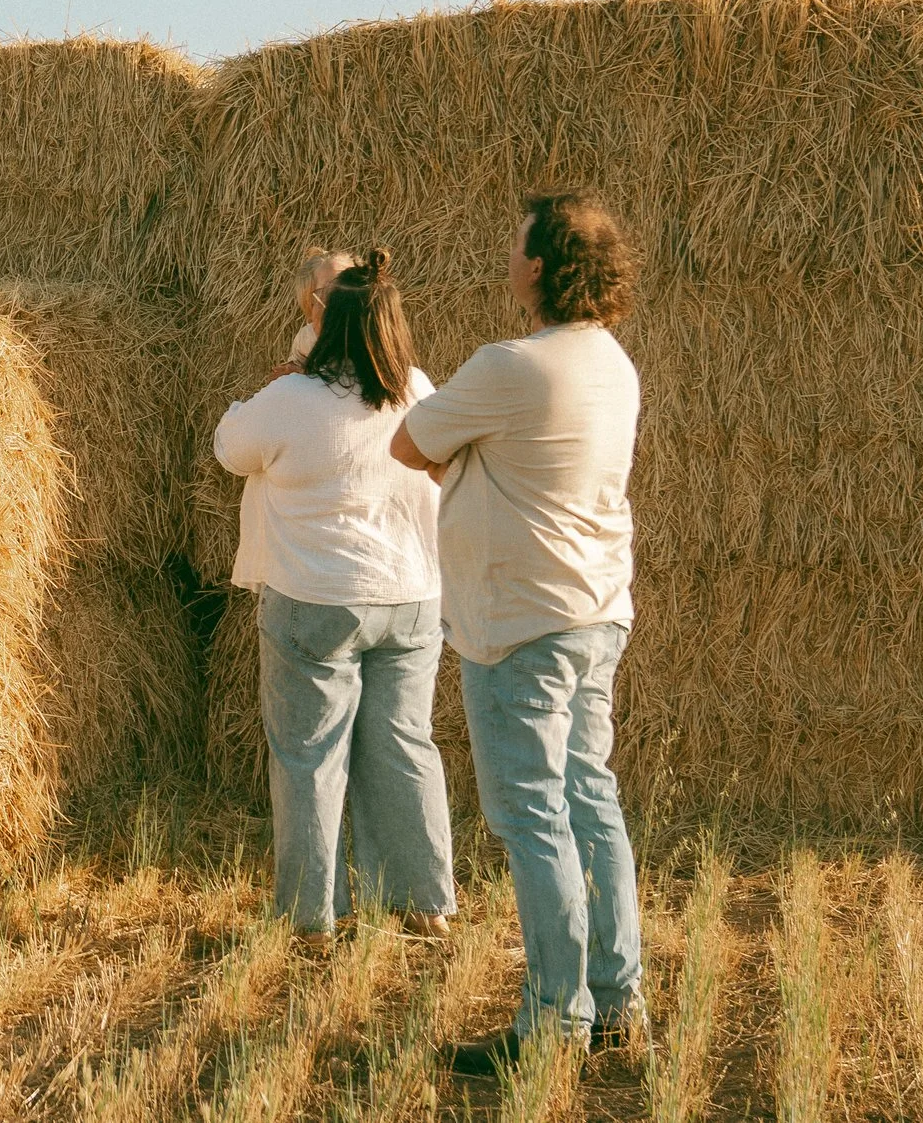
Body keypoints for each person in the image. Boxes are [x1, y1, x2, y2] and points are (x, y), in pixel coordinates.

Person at [391, 193, 646, 1075]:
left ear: (539, 264)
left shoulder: (510, 365)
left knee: (535, 817)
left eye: (515, 244)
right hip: (596, 610)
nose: (505, 255)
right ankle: (618, 1002)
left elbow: (409, 444)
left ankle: (553, 1020)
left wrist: (467, 453)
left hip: (519, 619)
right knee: (592, 801)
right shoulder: (615, 363)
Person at [214, 250, 454, 942]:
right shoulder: (416, 387)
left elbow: (229, 444)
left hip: (316, 599)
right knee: (405, 743)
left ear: (325, 324)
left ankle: (312, 916)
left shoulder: (291, 398)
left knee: (310, 753)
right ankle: (423, 902)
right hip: (411, 598)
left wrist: (259, 394)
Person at [288, 248, 359, 363]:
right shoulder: (307, 340)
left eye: (352, 282)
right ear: (310, 305)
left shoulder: (381, 329)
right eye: (331, 291)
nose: (347, 293)